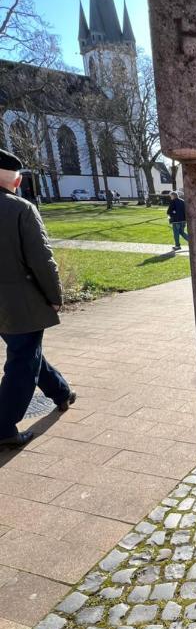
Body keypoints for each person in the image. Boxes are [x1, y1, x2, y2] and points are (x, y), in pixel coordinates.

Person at [0, 148, 76, 448]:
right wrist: (55, 297)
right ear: (16, 183)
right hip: (20, 303)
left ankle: (60, 392)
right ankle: (4, 426)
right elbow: (42, 260)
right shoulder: (20, 209)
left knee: (26, 352)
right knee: (22, 362)